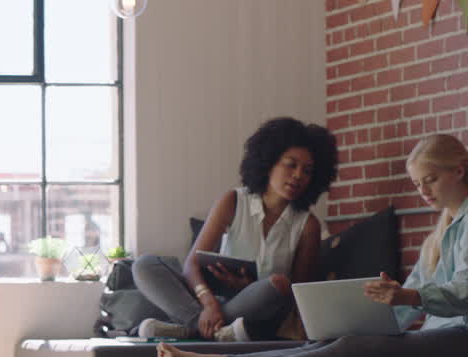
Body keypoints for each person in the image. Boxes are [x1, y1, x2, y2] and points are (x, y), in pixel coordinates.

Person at [160, 133, 468, 357]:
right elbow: (405, 304)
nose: (423, 191)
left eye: (431, 180)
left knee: (351, 350)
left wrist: (408, 297)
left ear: (459, 170)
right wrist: (365, 318)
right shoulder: (441, 232)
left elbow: (460, 292)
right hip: (441, 338)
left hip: (459, 341)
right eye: (417, 183)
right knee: (333, 341)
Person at [133, 117, 339, 341]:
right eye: (291, 165)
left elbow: (299, 295)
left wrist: (251, 285)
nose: (299, 175)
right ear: (269, 163)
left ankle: (192, 329)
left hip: (258, 306)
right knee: (145, 265)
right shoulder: (233, 200)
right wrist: (209, 304)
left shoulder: (308, 225)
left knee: (277, 284)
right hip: (218, 300)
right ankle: (203, 326)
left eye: (307, 171)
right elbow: (191, 264)